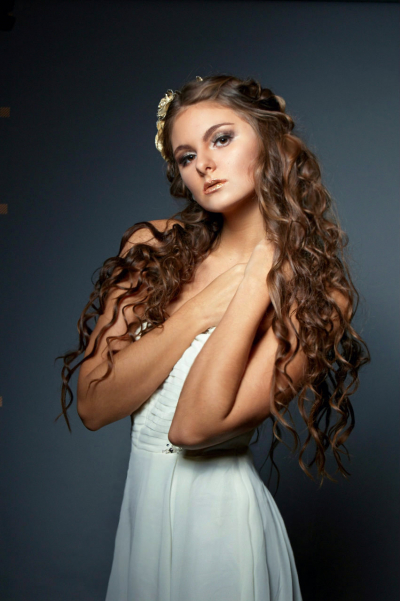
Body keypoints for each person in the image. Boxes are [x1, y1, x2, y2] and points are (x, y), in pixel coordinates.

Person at [56, 74, 369, 600]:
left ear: (269, 142)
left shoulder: (317, 296)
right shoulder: (154, 249)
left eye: (221, 139)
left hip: (222, 534)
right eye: (186, 156)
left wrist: (258, 273)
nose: (203, 164)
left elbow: (194, 428)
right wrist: (201, 308)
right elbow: (93, 403)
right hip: (142, 526)